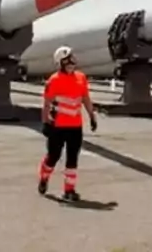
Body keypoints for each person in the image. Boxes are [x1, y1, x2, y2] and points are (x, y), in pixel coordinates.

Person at [39, 45, 97, 200]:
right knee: (53, 156)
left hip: (75, 127)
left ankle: (69, 190)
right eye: (67, 61)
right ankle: (44, 177)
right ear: (61, 64)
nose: (71, 64)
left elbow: (85, 98)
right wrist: (45, 122)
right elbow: (46, 104)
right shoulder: (54, 80)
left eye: (72, 60)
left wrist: (92, 116)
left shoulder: (81, 77)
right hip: (57, 127)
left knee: (72, 158)